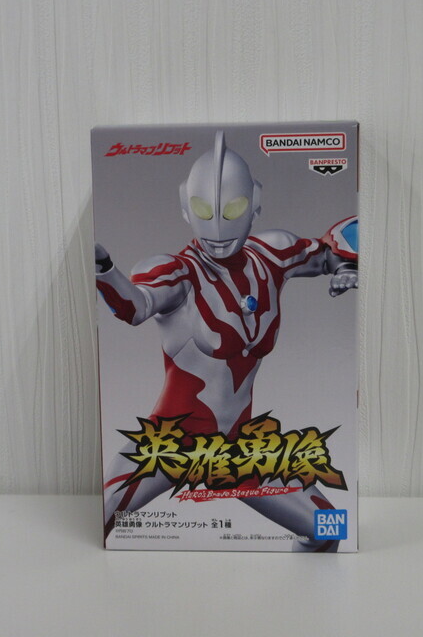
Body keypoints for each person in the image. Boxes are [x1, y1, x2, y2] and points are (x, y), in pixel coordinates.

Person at [96, 131, 357, 550]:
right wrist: (103, 269)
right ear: (186, 207)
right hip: (169, 446)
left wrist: (347, 267)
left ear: (255, 202)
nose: (218, 225)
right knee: (98, 519)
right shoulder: (177, 272)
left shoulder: (272, 254)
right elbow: (136, 306)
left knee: (329, 530)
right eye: (204, 209)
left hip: (238, 451)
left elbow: (331, 249)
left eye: (232, 208)